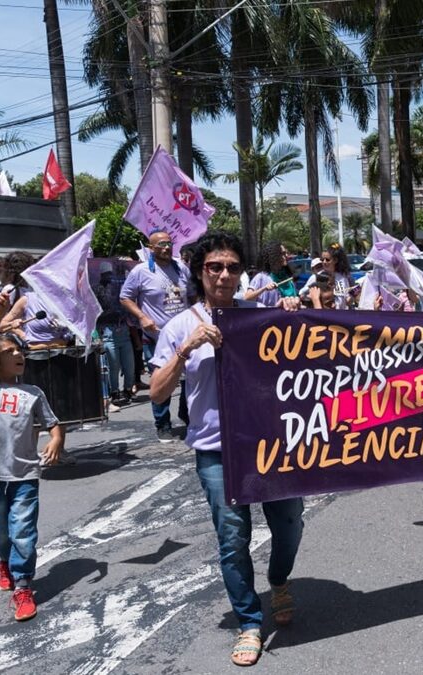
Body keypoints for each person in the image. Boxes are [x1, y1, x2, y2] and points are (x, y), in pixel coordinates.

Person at [149, 232, 303, 667]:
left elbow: (308, 357)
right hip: (217, 450)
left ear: (241, 273)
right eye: (215, 266)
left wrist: (292, 311)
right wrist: (186, 349)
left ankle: (278, 580)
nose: (224, 274)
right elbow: (158, 395)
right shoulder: (179, 327)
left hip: (273, 445)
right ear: (200, 272)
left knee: (290, 522)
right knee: (233, 538)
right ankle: (250, 621)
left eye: (233, 267)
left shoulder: (260, 316)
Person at [0, 290, 63, 621]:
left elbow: (52, 423)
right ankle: (3, 560)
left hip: (25, 475)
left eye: (19, 350)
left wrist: (56, 440)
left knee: (23, 530)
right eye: (8, 351)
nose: (17, 354)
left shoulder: (33, 392)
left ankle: (23, 585)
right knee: (0, 530)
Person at [119, 231, 191, 443]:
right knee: (161, 380)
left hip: (185, 336)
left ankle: (186, 414)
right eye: (161, 244)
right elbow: (125, 297)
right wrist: (142, 317)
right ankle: (163, 424)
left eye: (169, 243)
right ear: (151, 248)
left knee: (191, 378)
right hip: (157, 337)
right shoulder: (140, 271)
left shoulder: (182, 268)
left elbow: (193, 295)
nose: (167, 248)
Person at [94, 262, 135, 409]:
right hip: (108, 330)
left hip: (123, 329)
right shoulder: (98, 289)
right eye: (107, 275)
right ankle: (115, 392)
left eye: (111, 275)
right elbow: (100, 311)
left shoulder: (119, 288)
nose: (110, 278)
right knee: (113, 365)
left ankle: (128, 389)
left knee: (129, 364)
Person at [244, 241, 297, 307]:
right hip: (269, 316)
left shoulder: (288, 276)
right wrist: (264, 288)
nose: (286, 255)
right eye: (283, 253)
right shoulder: (261, 277)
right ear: (273, 256)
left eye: (286, 253)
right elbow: (246, 298)